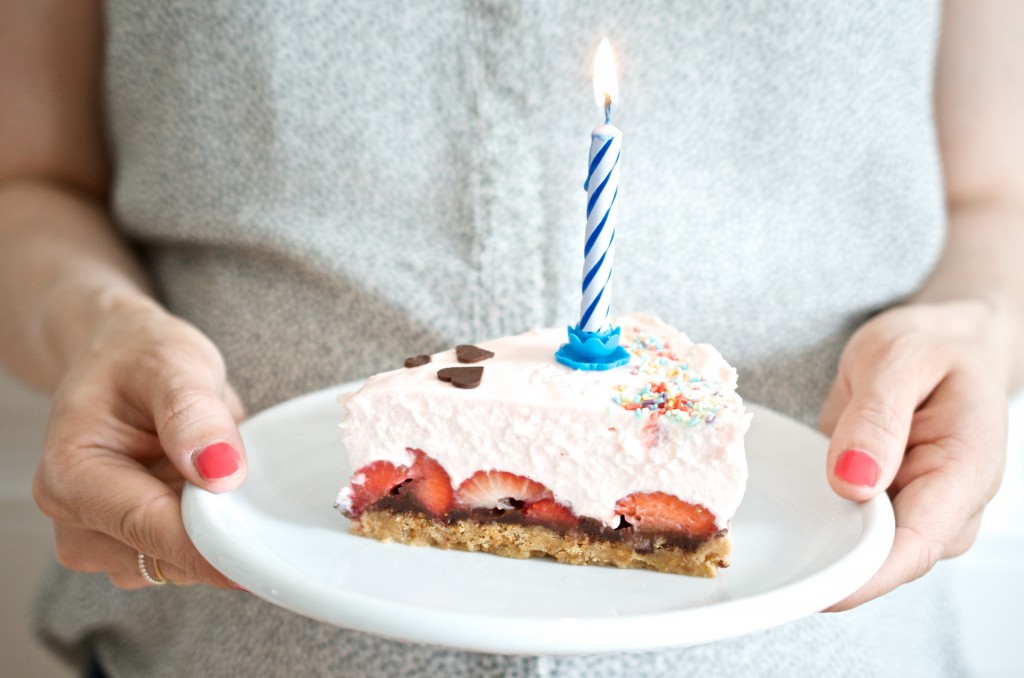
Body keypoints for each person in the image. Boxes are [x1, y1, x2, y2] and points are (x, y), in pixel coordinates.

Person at [1, 1, 1021, 676]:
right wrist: (97, 325)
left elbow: (995, 195)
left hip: (822, 638)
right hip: (228, 630)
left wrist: (976, 325)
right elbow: (29, 180)